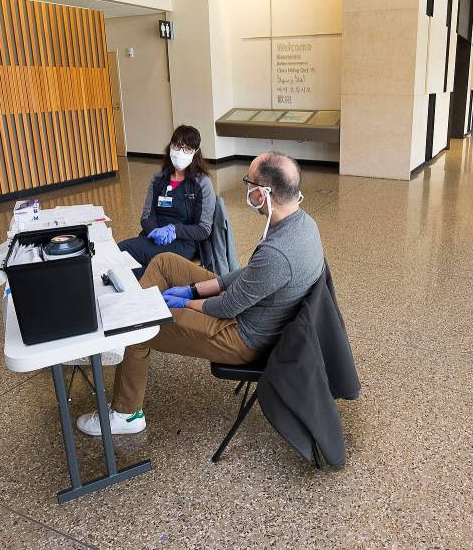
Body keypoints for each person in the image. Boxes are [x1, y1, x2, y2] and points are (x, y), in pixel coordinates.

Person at [78, 151, 325, 435]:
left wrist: (186, 302)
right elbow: (249, 273)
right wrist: (194, 288)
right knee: (164, 262)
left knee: (140, 326)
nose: (248, 189)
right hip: (251, 309)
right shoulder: (302, 223)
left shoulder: (278, 252)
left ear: (262, 194)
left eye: (249, 183)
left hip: (241, 335)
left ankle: (126, 413)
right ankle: (134, 332)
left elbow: (225, 308)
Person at [118, 125, 215, 278]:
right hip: (153, 237)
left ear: (195, 153)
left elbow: (203, 229)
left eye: (187, 149)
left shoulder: (202, 183)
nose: (181, 152)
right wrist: (154, 232)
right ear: (170, 147)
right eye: (177, 146)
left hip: (183, 242)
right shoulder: (158, 179)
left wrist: (174, 230)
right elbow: (146, 216)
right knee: (129, 262)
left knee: (123, 250)